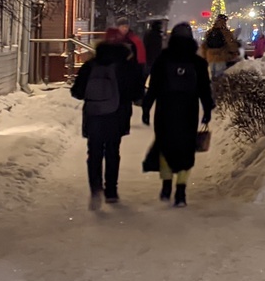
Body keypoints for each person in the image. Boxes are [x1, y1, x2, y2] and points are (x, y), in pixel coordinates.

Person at [71, 26, 143, 210]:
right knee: (112, 151)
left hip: (94, 113)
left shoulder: (91, 64)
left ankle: (95, 189)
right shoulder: (126, 65)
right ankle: (111, 191)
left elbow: (77, 92)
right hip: (117, 114)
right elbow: (136, 92)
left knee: (94, 152)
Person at [144, 22, 215, 207]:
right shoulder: (197, 62)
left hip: (165, 109)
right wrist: (207, 110)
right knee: (186, 148)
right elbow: (204, 89)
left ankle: (166, 185)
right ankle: (181, 191)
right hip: (188, 110)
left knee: (165, 145)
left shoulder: (164, 58)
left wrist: (146, 108)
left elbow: (154, 86)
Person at [139, 19, 166, 120]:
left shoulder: (148, 34)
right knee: (153, 83)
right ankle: (144, 97)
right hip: (154, 61)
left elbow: (145, 46)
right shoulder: (157, 36)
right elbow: (158, 49)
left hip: (148, 59)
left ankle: (141, 96)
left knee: (144, 78)